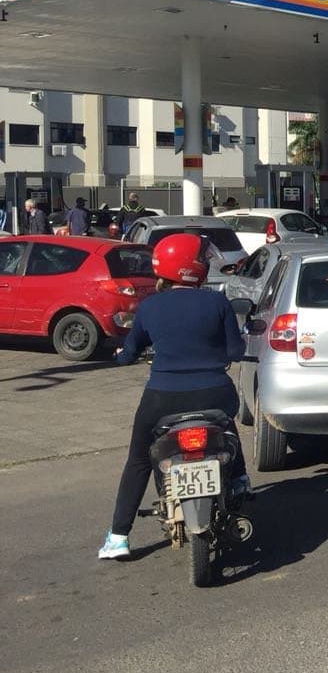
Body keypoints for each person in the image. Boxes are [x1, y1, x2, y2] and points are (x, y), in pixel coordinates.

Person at [97, 234, 249, 560]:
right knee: (224, 426)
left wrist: (121, 354)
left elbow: (129, 353)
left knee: (139, 459)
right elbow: (236, 350)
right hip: (214, 392)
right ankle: (238, 479)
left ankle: (119, 537)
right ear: (196, 267)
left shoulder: (150, 305)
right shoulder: (217, 302)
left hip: (163, 398)